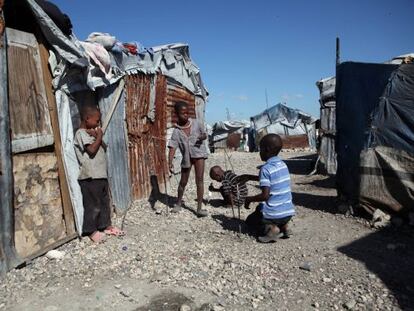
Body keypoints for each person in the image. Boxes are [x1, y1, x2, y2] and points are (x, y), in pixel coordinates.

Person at [74, 105, 124, 242]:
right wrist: (99, 136)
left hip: (100, 174)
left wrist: (98, 137)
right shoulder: (81, 134)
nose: (98, 124)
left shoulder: (93, 133)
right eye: (96, 121)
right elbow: (91, 151)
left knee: (104, 202)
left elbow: (104, 147)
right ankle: (91, 230)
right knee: (93, 205)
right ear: (87, 118)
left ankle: (106, 226)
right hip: (90, 176)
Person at [244, 134, 295, 243]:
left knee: (250, 221)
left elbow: (265, 196)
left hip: (274, 215)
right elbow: (273, 180)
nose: (259, 152)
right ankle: (284, 226)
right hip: (288, 213)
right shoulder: (283, 165)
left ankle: (271, 230)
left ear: (266, 150)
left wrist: (249, 199)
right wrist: (249, 177)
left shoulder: (265, 169)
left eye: (260, 149)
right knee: (269, 208)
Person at [168, 102, 208, 217]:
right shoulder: (176, 131)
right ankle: (179, 203)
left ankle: (199, 208)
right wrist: (169, 162)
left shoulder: (196, 123)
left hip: (199, 154)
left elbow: (204, 134)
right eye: (182, 113)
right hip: (187, 158)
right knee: (183, 182)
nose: (185, 115)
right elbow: (172, 148)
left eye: (187, 113)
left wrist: (202, 137)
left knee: (199, 181)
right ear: (176, 114)